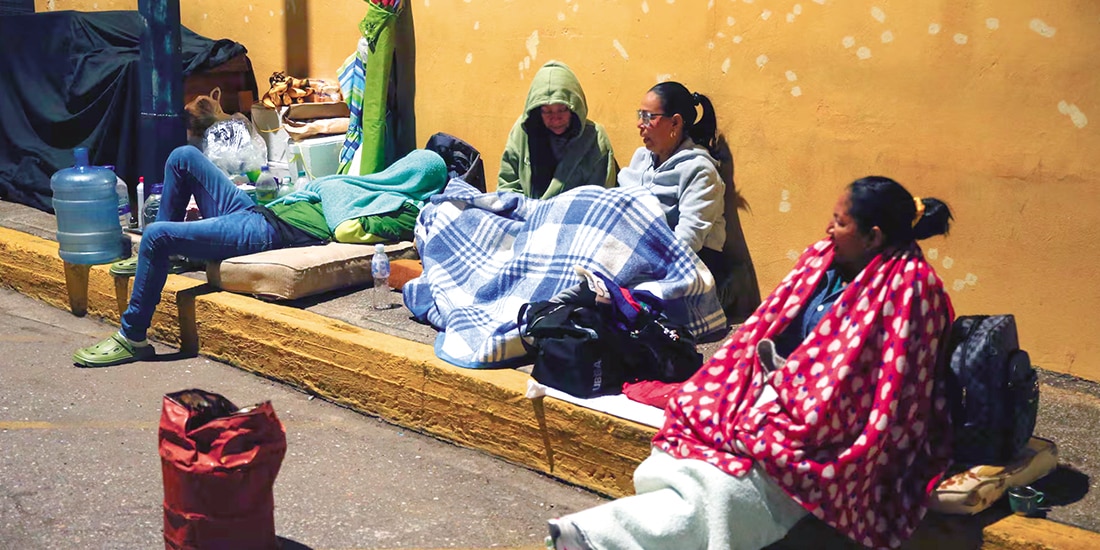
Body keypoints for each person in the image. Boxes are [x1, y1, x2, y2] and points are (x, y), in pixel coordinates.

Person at [547, 177, 955, 550]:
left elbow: (887, 393)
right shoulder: (822, 261)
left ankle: (598, 537)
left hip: (827, 426)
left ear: (873, 236)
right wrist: (741, 391)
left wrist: (783, 410)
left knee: (730, 490)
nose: (828, 229)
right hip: (773, 394)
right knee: (691, 430)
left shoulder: (912, 291)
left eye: (840, 223)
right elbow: (764, 329)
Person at [72, 145, 445, 367]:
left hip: (266, 233)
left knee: (156, 235)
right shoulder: (372, 185)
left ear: (418, 180)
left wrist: (342, 201)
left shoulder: (402, 210)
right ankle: (166, 259)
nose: (400, 172)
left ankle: (133, 337)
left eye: (410, 171)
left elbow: (348, 230)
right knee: (183, 156)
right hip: (255, 211)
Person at [617, 82, 732, 309]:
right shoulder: (642, 158)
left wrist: (639, 266)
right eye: (640, 115)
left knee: (623, 307)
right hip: (644, 258)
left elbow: (688, 240)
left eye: (649, 117)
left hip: (689, 266)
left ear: (676, 122)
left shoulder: (700, 170)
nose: (640, 124)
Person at [497, 60, 616, 199]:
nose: (555, 118)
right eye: (547, 111)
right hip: (525, 216)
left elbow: (599, 199)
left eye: (562, 109)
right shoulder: (523, 132)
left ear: (575, 109)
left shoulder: (595, 140)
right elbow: (507, 186)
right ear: (536, 112)